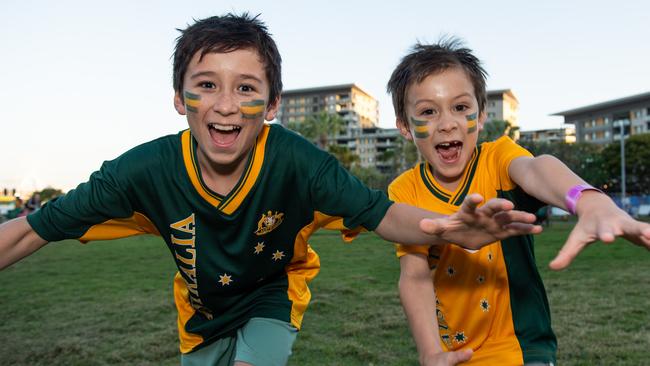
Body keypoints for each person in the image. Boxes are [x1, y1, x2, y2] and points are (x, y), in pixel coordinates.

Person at [0, 14, 542, 366]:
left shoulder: (295, 162)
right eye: (207, 85)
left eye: (247, 88)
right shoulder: (141, 171)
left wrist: (445, 228)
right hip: (202, 312)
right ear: (178, 97)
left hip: (272, 292)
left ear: (274, 103)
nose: (227, 104)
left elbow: (381, 214)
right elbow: (32, 231)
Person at [386, 38, 650, 366]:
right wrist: (430, 352)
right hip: (455, 357)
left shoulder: (498, 158)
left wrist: (588, 200)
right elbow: (414, 276)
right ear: (405, 127)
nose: (448, 122)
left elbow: (538, 169)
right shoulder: (404, 190)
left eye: (460, 107)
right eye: (428, 111)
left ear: (481, 115)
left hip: (522, 352)